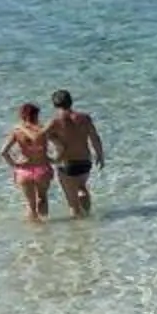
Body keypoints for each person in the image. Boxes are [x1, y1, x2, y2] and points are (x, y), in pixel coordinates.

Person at [47, 89, 105, 218]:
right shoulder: (84, 118)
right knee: (82, 187)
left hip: (66, 163)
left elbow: (39, 138)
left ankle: (79, 231)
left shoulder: (55, 121)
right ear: (71, 102)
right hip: (85, 161)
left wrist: (55, 143)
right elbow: (95, 137)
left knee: (72, 203)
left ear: (55, 104)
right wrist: (100, 155)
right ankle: (88, 216)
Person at [1, 103, 56, 222]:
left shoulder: (17, 131)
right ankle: (47, 229)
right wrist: (54, 159)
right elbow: (61, 145)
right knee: (42, 198)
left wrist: (14, 165)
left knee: (31, 205)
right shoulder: (43, 130)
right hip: (42, 168)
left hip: (24, 171)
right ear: (36, 115)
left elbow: (3, 152)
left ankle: (35, 233)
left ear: (22, 116)